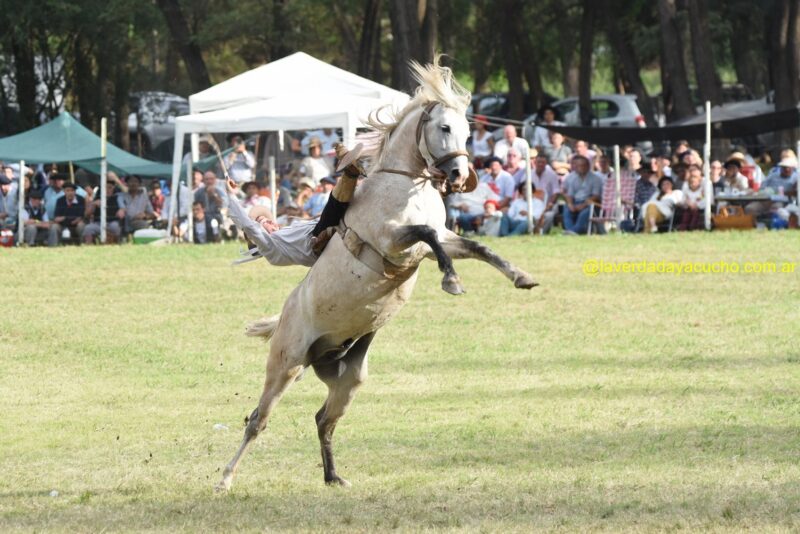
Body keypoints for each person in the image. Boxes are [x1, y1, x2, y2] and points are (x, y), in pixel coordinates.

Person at [226, 143, 365, 267]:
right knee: (332, 207)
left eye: (266, 219)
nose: (269, 220)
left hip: (320, 229)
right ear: (260, 235)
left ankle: (354, 173)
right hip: (317, 244)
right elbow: (250, 227)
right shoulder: (270, 249)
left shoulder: (285, 231)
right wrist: (230, 194)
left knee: (346, 206)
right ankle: (350, 171)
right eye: (264, 223)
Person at [562, 155, 602, 235]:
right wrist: (570, 204)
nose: (578, 168)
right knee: (567, 209)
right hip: (576, 201)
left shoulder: (595, 179)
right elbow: (569, 194)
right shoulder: (573, 178)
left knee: (584, 213)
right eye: (577, 166)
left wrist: (583, 205)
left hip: (591, 203)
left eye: (581, 166)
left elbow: (596, 196)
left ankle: (573, 231)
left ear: (587, 166)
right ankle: (570, 230)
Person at [83, 175, 124, 243]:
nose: (107, 190)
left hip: (112, 222)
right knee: (88, 228)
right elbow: (87, 214)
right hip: (98, 223)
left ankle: (117, 244)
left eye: (110, 188)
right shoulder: (97, 198)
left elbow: (123, 209)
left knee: (115, 227)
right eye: (105, 188)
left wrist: (122, 210)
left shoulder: (118, 198)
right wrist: (93, 204)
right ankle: (88, 246)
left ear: (113, 189)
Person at [678, 167, 711, 231]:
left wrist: (697, 205)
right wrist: (688, 203)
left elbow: (708, 199)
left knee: (695, 215)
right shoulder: (686, 184)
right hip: (688, 207)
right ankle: (683, 228)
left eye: (695, 176)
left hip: (699, 208)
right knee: (686, 215)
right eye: (692, 176)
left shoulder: (706, 183)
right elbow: (683, 199)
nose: (693, 178)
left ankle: (692, 228)